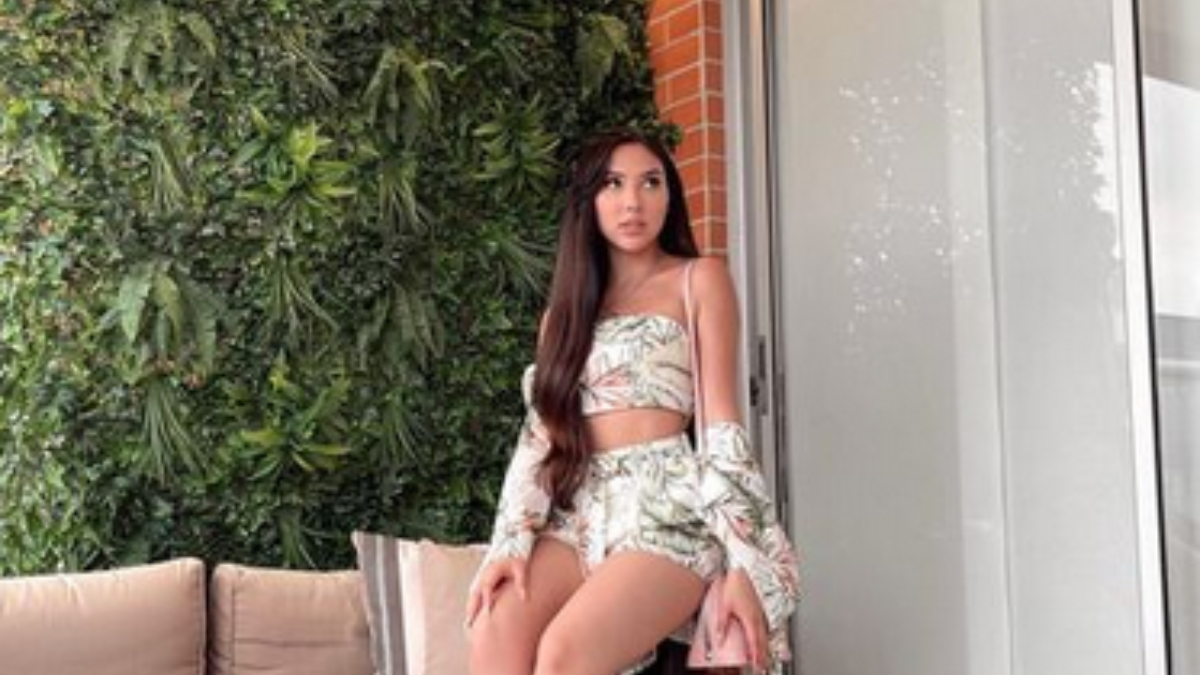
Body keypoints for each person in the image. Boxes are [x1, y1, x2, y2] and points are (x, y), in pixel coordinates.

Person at [465, 128, 800, 675]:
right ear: (589, 201)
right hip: (580, 512)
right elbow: (540, 438)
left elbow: (721, 427)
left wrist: (744, 560)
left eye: (651, 183)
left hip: (668, 510)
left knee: (563, 656)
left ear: (669, 197)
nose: (633, 202)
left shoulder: (699, 281)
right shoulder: (561, 317)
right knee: (493, 625)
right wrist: (509, 544)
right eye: (613, 184)